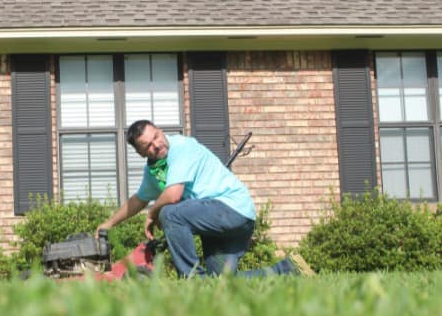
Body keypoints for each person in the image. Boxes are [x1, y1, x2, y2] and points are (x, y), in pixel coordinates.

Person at [96, 119, 314, 278]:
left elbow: (173, 195)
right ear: (141, 153)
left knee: (170, 213)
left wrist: (153, 213)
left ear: (160, 131)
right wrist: (108, 224)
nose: (156, 144)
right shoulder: (154, 171)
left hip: (232, 209)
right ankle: (288, 269)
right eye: (148, 146)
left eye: (156, 137)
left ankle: (191, 279)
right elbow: (138, 200)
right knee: (219, 283)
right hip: (219, 223)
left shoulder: (181, 147)